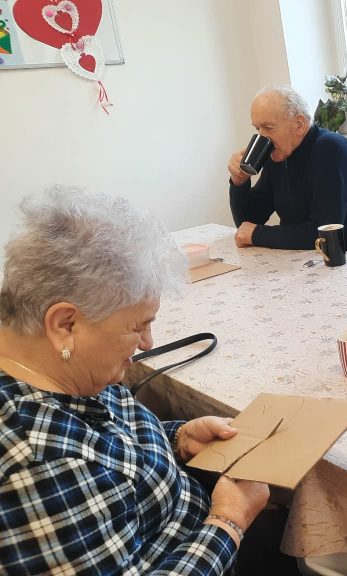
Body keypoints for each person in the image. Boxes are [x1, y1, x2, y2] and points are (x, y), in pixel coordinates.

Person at [0, 187, 271, 574]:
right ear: (65, 324)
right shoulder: (41, 466)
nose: (147, 344)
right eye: (138, 326)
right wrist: (229, 523)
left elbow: (109, 443)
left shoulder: (53, 363)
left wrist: (177, 438)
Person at [227, 85, 347, 254]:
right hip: (302, 260)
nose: (262, 136)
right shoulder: (278, 154)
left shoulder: (330, 148)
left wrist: (257, 234)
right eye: (257, 129)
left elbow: (324, 233)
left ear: (299, 125)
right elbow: (246, 224)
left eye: (269, 128)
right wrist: (239, 183)